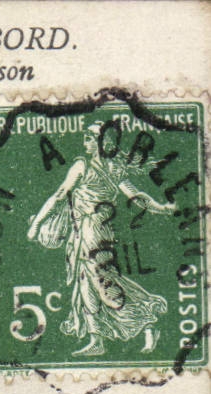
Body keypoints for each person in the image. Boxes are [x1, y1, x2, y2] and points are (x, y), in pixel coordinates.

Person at [26, 121, 175, 357]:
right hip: (96, 233)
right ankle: (97, 340)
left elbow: (59, 195)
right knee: (87, 283)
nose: (84, 142)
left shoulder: (82, 165)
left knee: (102, 283)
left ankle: (147, 321)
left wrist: (36, 225)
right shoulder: (114, 168)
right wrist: (161, 208)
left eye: (88, 138)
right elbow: (137, 197)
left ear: (100, 142)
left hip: (91, 232)